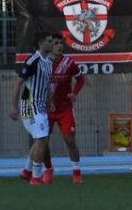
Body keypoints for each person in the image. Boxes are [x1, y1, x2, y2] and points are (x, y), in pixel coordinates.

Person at [12, 33, 56, 186]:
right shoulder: (32, 61)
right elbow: (18, 83)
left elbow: (47, 84)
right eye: (50, 41)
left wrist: (50, 101)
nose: (53, 44)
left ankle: (26, 171)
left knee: (41, 139)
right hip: (30, 106)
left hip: (41, 106)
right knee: (42, 139)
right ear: (41, 42)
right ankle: (36, 177)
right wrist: (14, 107)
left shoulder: (49, 62)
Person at [47, 37, 86, 183]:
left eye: (61, 43)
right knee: (43, 142)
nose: (59, 46)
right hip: (47, 110)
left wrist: (74, 93)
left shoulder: (69, 63)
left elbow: (81, 79)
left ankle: (77, 172)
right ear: (49, 46)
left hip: (65, 109)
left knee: (70, 140)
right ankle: (48, 169)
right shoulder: (45, 63)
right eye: (56, 43)